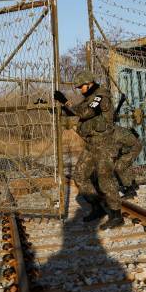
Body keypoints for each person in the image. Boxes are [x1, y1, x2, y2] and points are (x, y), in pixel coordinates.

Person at [54, 71, 124, 229]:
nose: (80, 90)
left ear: (89, 83)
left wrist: (65, 101)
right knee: (79, 175)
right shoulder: (91, 98)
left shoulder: (101, 97)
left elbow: (85, 112)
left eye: (82, 87)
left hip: (105, 145)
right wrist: (62, 109)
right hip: (92, 145)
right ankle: (97, 208)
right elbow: (79, 113)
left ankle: (116, 215)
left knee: (105, 179)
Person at [112, 125, 142, 199]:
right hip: (132, 145)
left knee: (119, 167)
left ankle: (130, 190)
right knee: (125, 164)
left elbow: (115, 149)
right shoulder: (111, 129)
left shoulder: (110, 133)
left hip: (133, 146)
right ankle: (133, 184)